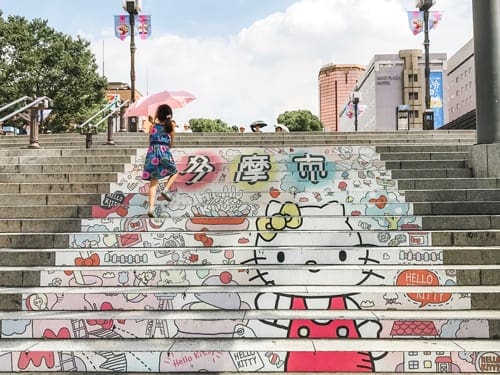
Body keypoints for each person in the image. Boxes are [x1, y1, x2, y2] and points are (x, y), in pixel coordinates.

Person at [141, 104, 179, 217]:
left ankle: (151, 208)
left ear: (158, 114)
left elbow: (150, 140)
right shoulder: (171, 126)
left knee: (153, 181)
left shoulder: (152, 126)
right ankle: (166, 189)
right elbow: (171, 143)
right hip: (164, 151)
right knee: (175, 171)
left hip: (152, 153)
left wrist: (154, 119)